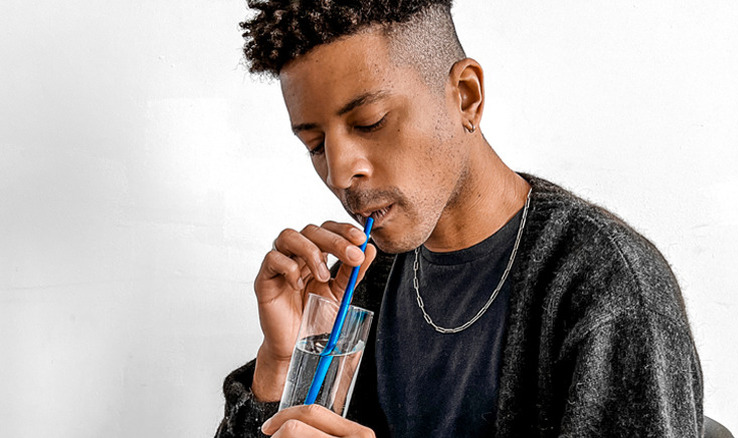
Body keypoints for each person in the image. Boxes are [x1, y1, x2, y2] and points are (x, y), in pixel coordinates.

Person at [215, 1, 704, 437]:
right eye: (315, 145)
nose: (341, 171)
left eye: (370, 123)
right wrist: (278, 368)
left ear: (466, 96)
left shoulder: (607, 292)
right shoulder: (361, 280)